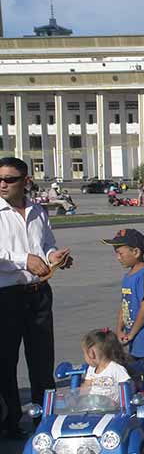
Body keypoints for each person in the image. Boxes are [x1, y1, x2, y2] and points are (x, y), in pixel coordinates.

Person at [0, 156, 73, 439]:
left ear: (25, 181)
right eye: (0, 179)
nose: (3, 184)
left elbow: (47, 245)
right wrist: (24, 260)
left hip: (39, 293)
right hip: (6, 295)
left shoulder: (38, 211)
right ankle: (10, 421)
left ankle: (45, 417)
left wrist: (54, 257)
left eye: (10, 179)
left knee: (42, 359)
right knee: (5, 360)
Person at [100, 228, 144, 422]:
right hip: (137, 339)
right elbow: (125, 304)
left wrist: (131, 334)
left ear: (136, 252)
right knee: (138, 381)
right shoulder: (129, 276)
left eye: (120, 252)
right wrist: (120, 328)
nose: (117, 257)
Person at [80, 329, 131, 400]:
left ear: (91, 353)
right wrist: (80, 399)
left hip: (111, 408)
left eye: (84, 353)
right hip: (93, 405)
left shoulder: (116, 369)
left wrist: (119, 401)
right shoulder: (91, 369)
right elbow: (86, 386)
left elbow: (128, 387)